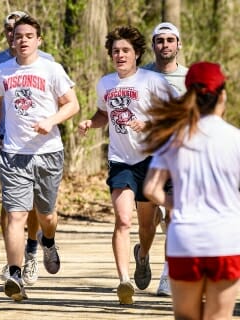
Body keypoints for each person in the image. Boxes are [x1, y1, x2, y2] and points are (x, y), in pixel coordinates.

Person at [0, 15, 79, 301]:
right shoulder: (2, 71)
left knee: (46, 215)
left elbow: (73, 105)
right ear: (12, 41)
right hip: (14, 154)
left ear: (39, 40)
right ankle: (15, 274)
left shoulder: (52, 69)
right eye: (18, 36)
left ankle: (48, 241)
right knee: (15, 215)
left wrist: (51, 121)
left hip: (48, 153)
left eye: (29, 35)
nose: (23, 39)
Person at [78, 26, 173, 305]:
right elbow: (102, 113)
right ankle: (124, 281)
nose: (120, 55)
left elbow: (171, 116)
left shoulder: (153, 81)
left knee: (146, 226)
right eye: (115, 51)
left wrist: (147, 123)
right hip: (121, 161)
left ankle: (142, 255)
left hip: (151, 159)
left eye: (125, 51)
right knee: (123, 220)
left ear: (137, 54)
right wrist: (91, 123)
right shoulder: (106, 83)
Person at [143, 61, 240, 319]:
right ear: (223, 95)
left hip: (185, 240)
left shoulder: (174, 137)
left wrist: (179, 205)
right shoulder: (235, 138)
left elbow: (151, 188)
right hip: (225, 239)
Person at [0, 10, 55, 286]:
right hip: (7, 141)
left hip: (39, 145)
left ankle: (31, 250)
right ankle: (12, 262)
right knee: (12, 204)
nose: (14, 35)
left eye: (21, 31)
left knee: (37, 207)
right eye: (9, 30)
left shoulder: (47, 62)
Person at [143, 22, 188, 296]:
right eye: (160, 41)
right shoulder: (140, 75)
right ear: (153, 46)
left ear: (178, 45)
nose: (165, 45)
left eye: (170, 40)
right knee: (146, 222)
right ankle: (143, 253)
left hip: (176, 156)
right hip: (143, 156)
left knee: (174, 216)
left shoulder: (188, 78)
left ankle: (167, 274)